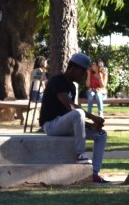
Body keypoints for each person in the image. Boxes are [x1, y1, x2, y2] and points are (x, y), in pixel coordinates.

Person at [39, 53, 110, 183]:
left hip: (64, 124)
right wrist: (93, 117)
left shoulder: (72, 87)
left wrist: (91, 126)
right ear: (74, 68)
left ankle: (94, 173)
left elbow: (72, 117)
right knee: (78, 112)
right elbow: (70, 106)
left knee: (101, 134)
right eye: (82, 72)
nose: (83, 76)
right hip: (51, 125)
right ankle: (80, 154)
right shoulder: (57, 81)